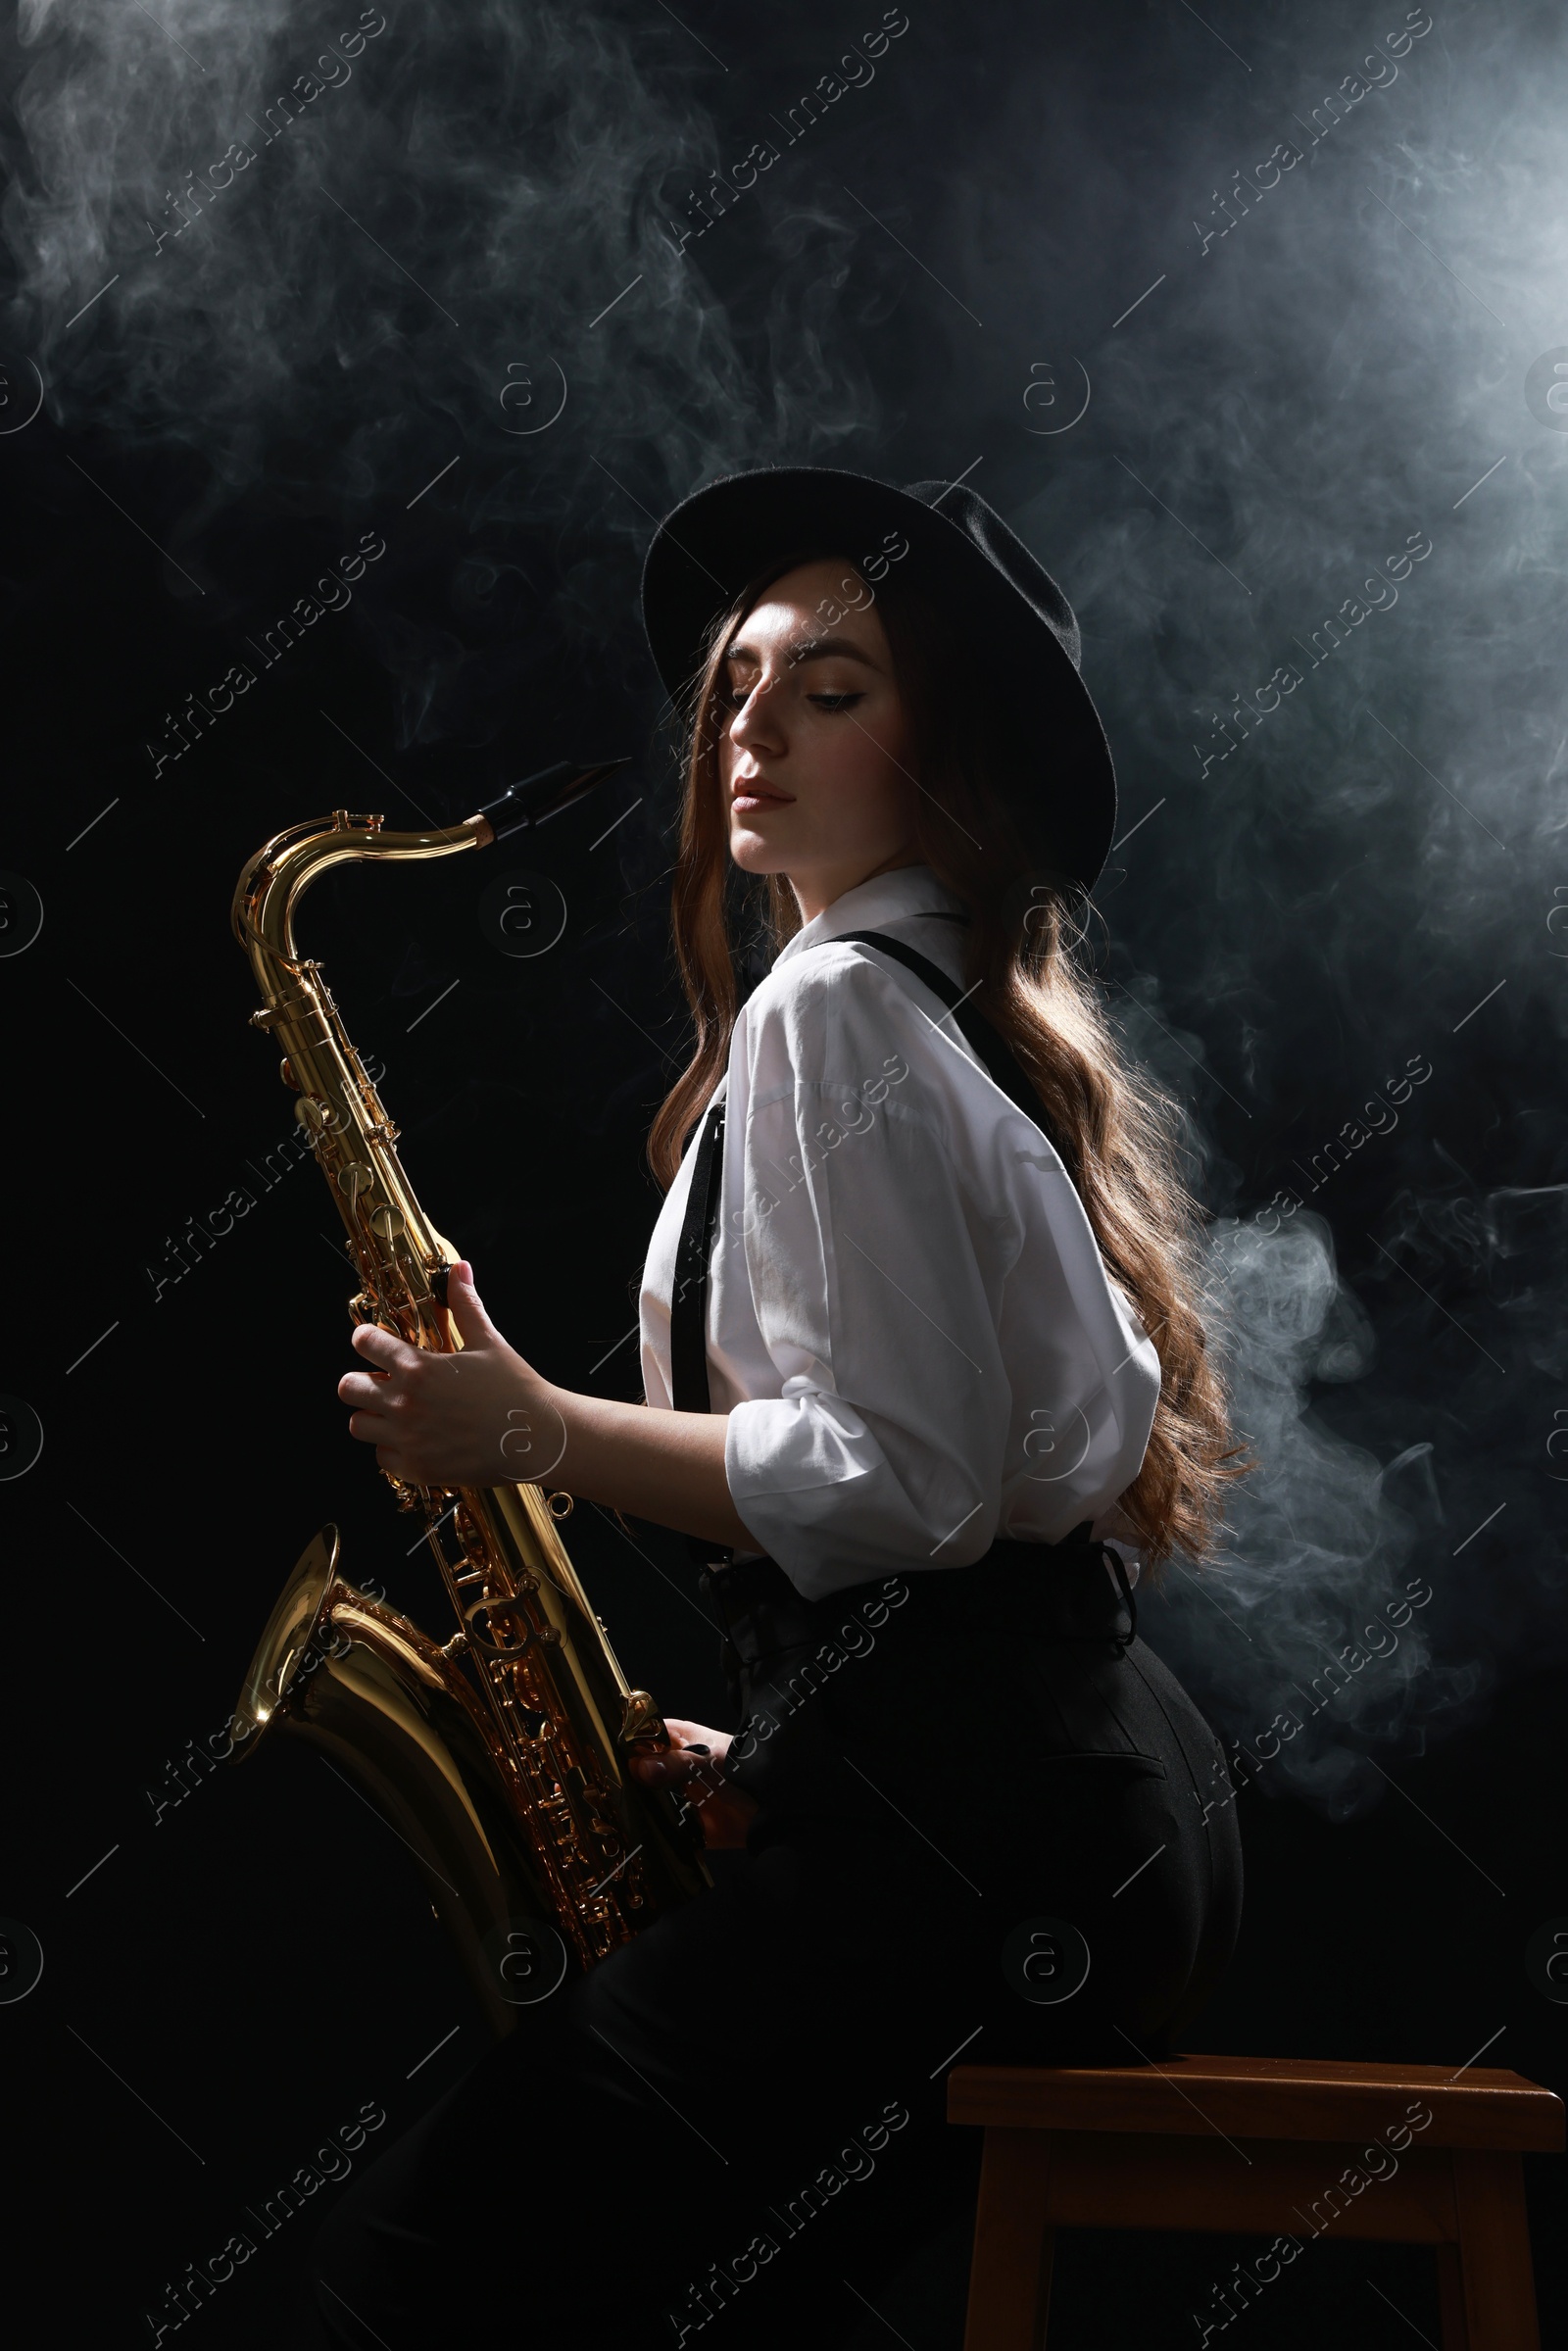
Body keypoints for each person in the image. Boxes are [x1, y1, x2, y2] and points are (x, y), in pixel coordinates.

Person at [313, 468, 1246, 2348]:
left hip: (989, 1856)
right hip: (1090, 1822)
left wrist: (531, 1430)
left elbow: (895, 1486)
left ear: (948, 751)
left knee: (431, 2273)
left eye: (830, 686)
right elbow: (980, 1509)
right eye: (737, 688)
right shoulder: (932, 1008)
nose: (750, 725)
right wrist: (783, 1766)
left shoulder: (836, 1011)